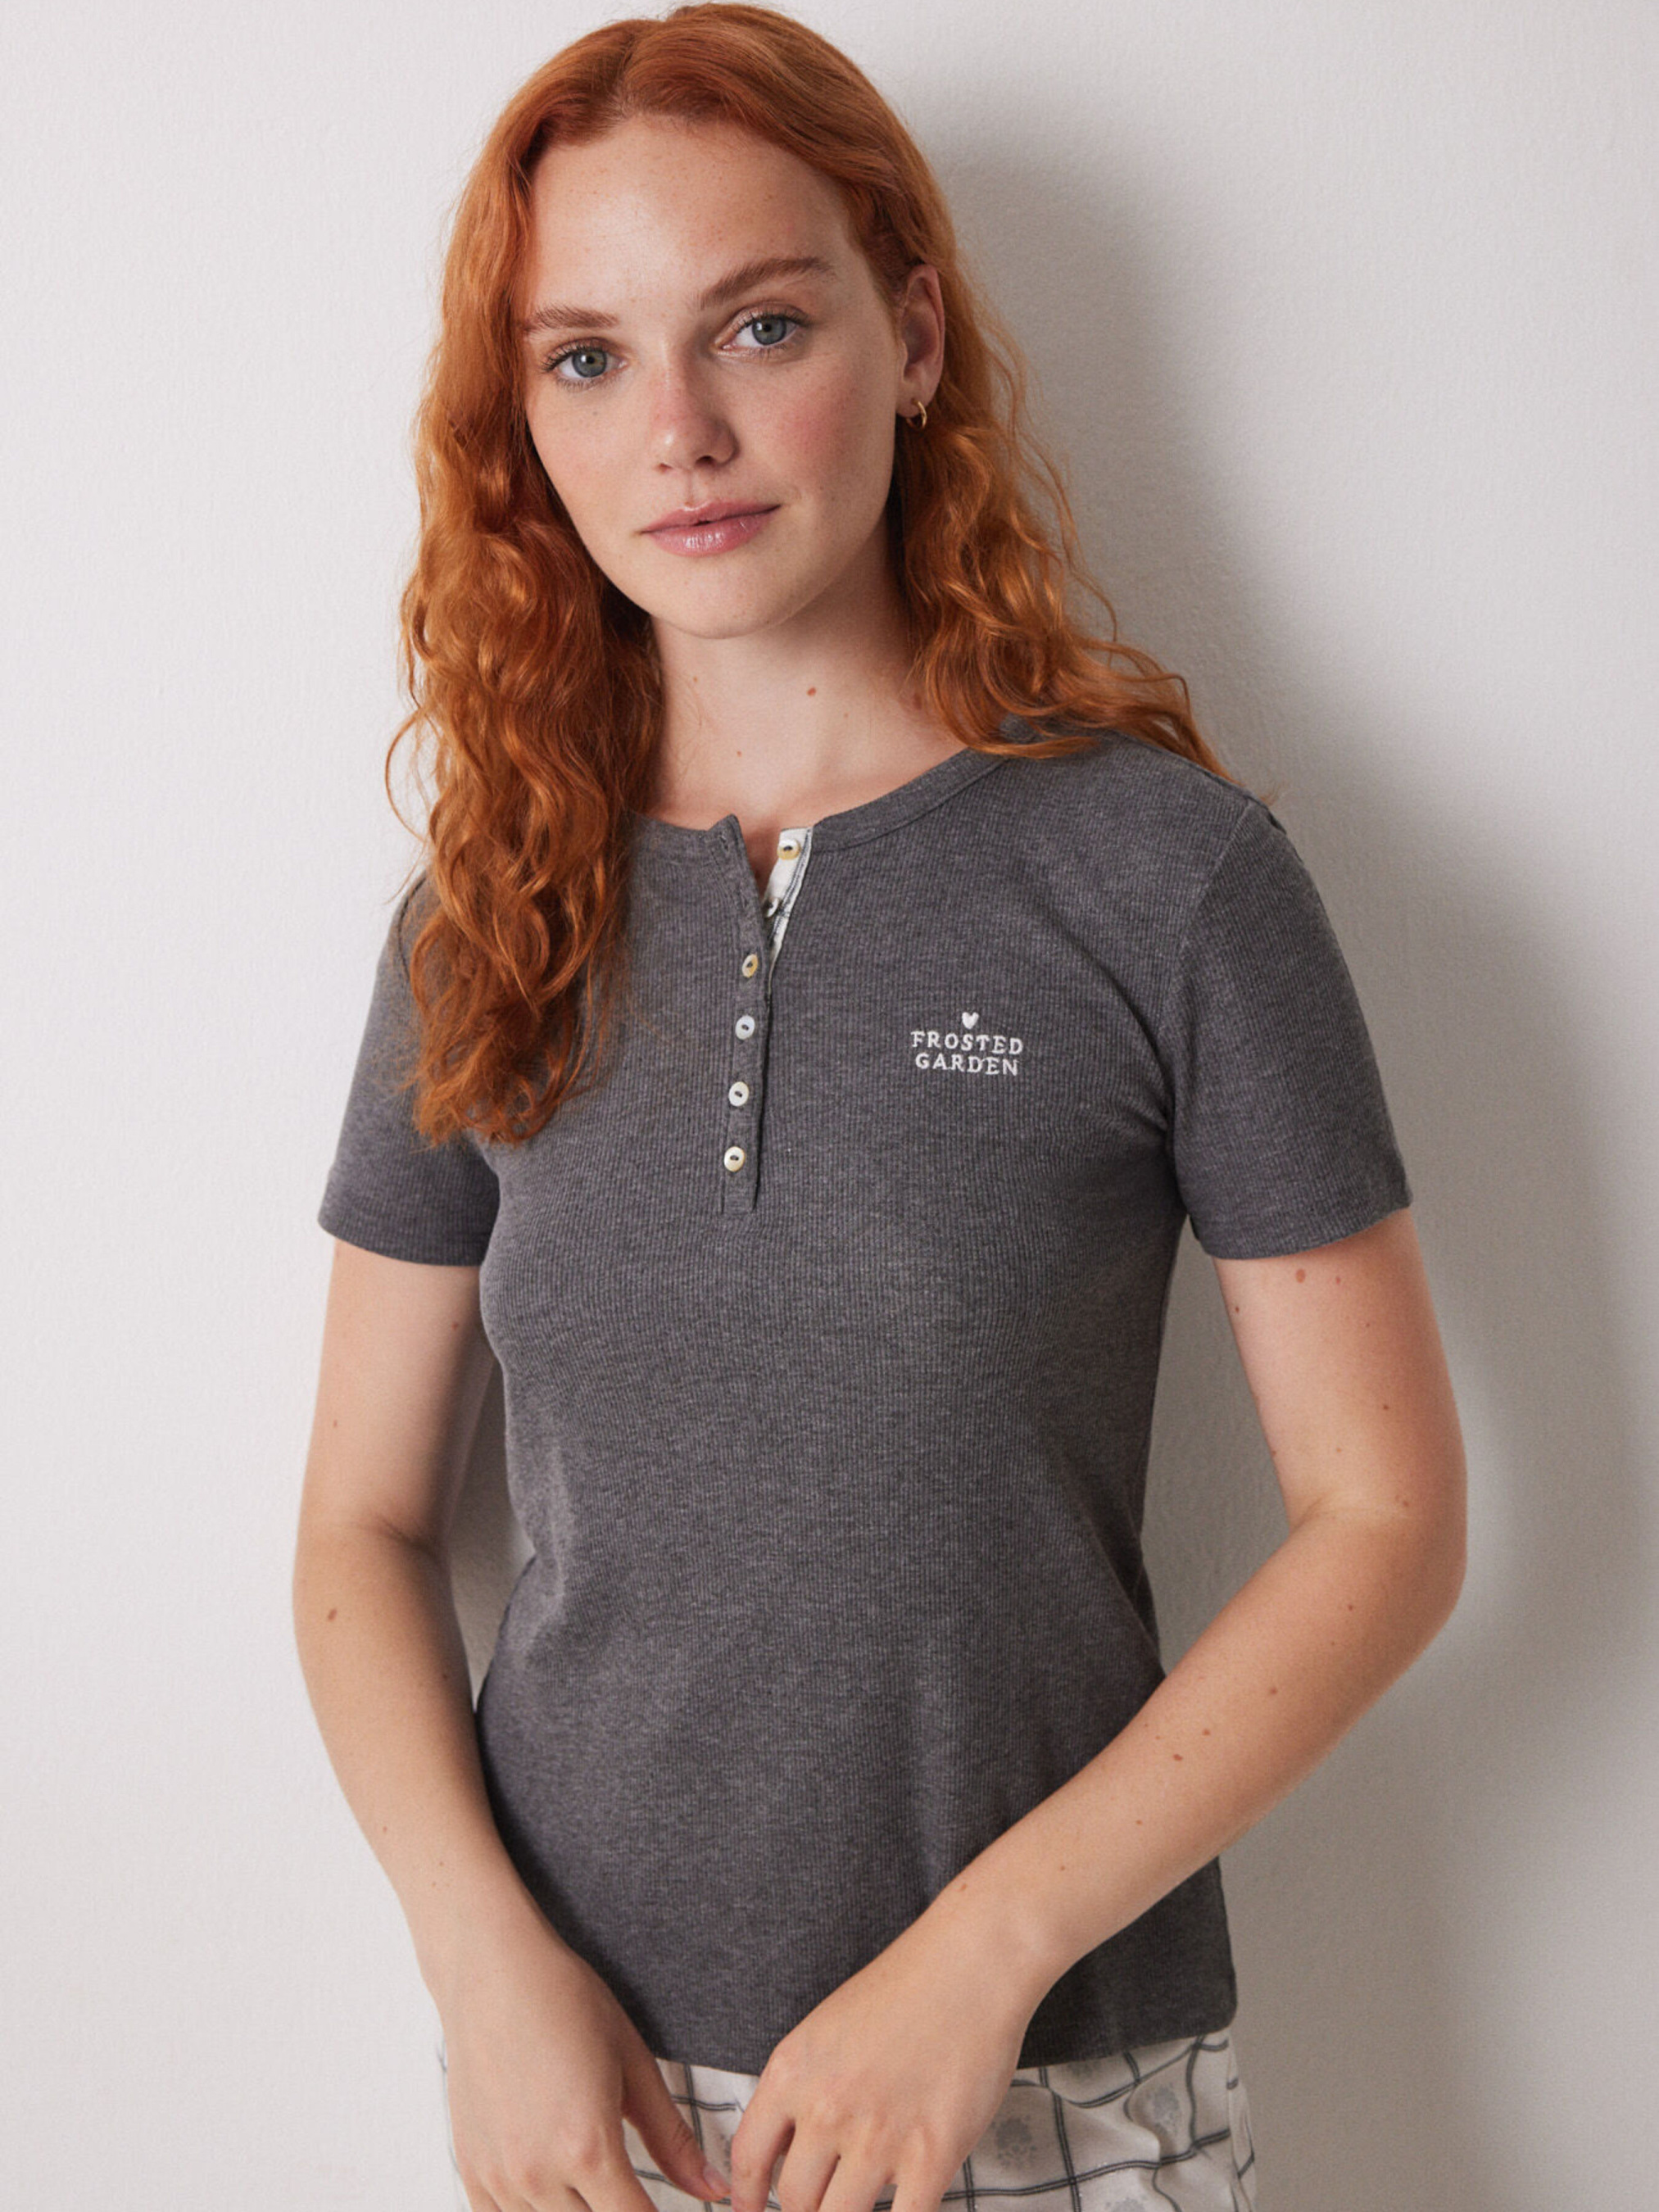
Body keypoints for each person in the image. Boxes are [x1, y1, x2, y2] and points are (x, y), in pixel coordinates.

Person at [292, 7, 1466, 2210]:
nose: (682, 433)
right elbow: (357, 1525)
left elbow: (1387, 1517)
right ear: (523, 422)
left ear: (912, 335)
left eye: (761, 324)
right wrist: (482, 1963)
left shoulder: (1166, 878)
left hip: (1042, 2078)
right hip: (587, 2101)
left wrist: (981, 1959)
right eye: (587, 359)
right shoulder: (489, 912)